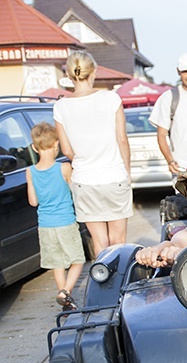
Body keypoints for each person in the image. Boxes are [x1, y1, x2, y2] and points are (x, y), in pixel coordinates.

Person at [54, 51, 133, 258]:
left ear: (69, 75)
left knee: (100, 242)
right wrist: (127, 171)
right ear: (94, 72)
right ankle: (119, 287)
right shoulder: (111, 98)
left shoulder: (61, 106)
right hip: (114, 175)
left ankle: (104, 285)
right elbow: (122, 139)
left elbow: (67, 150)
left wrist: (83, 161)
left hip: (84, 179)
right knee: (118, 241)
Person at [25, 122, 85, 311]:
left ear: (34, 147)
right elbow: (74, 190)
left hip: (45, 224)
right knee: (77, 260)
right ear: (56, 145)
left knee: (57, 264)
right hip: (65, 221)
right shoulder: (64, 168)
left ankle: (66, 303)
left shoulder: (30, 171)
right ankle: (65, 292)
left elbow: (33, 201)